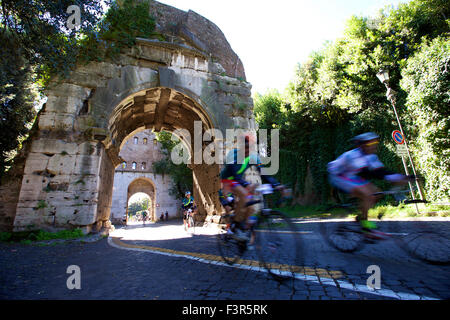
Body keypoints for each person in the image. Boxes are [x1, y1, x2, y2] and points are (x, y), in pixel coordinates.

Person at [327, 132, 411, 234]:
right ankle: (365, 225)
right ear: (361, 145)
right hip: (339, 176)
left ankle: (361, 216)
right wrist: (396, 178)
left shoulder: (371, 157)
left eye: (375, 142)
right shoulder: (353, 155)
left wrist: (403, 177)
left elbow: (382, 171)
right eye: (370, 144)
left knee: (378, 193)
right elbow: (368, 173)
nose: (373, 146)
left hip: (353, 176)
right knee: (368, 195)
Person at [220, 133, 286, 241]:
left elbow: (264, 173)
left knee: (251, 206)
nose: (247, 151)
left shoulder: (253, 157)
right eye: (244, 148)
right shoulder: (233, 155)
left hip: (238, 181)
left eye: (249, 148)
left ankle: (244, 229)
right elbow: (235, 175)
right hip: (228, 180)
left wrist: (276, 185)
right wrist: (247, 185)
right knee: (245, 195)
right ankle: (233, 228)